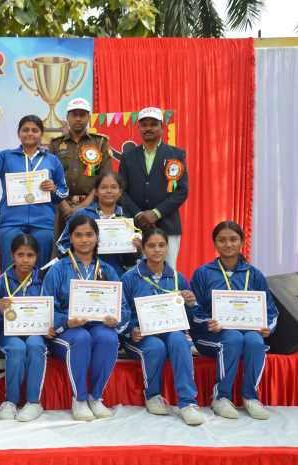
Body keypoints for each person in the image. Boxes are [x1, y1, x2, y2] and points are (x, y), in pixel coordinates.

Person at [42, 216, 130, 421]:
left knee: (108, 338)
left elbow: (124, 309)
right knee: (81, 337)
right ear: (70, 239)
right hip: (69, 331)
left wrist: (115, 319)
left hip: (98, 326)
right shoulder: (58, 269)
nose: (84, 240)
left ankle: (95, 397)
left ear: (97, 237)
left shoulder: (108, 270)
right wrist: (66, 321)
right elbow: (47, 308)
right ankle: (79, 399)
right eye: (78, 235)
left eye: (89, 234)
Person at [189, 221, 278, 420]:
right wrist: (208, 322)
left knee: (255, 341)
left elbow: (271, 311)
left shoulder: (254, 274)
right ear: (214, 243)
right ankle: (221, 397)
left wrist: (267, 328)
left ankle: (251, 397)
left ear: (242, 242)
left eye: (233, 239)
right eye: (222, 240)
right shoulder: (203, 273)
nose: (228, 244)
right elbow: (194, 310)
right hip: (209, 336)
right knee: (233, 338)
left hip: (246, 333)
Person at [121, 228, 204, 426]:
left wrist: (191, 304)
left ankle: (187, 403)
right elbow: (122, 312)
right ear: (143, 248)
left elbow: (189, 318)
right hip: (141, 336)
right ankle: (153, 395)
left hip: (169, 331)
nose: (157, 250)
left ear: (167, 248)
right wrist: (132, 330)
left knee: (179, 340)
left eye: (161, 245)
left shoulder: (177, 277)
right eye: (151, 245)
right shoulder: (130, 278)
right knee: (155, 347)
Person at [0, 114, 68, 272]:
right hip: (11, 222)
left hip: (43, 222)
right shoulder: (5, 157)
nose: (30, 133)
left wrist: (54, 189)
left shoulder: (52, 160)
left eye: (35, 130)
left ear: (41, 134)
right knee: (9, 271)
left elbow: (64, 192)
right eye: (25, 130)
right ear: (18, 133)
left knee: (42, 271)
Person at [118, 107, 188, 269]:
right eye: (144, 125)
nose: (148, 128)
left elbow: (181, 191)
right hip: (135, 225)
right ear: (139, 128)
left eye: (153, 124)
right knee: (134, 272)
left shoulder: (176, 154)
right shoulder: (128, 157)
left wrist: (156, 213)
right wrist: (138, 214)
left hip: (168, 225)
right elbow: (121, 191)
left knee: (167, 272)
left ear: (162, 128)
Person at [0, 234, 47, 422]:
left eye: (30, 255)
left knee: (36, 345)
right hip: (7, 334)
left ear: (37, 256)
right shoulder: (2, 282)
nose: (25, 260)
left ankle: (33, 402)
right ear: (12, 256)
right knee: (17, 348)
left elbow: (51, 310)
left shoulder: (43, 280)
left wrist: (50, 326)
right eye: (20, 255)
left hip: (35, 331)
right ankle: (10, 402)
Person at [49, 98, 112, 249]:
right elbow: (49, 179)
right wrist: (64, 205)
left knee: (90, 248)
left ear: (88, 117)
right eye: (74, 114)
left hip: (92, 207)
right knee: (60, 250)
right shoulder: (56, 144)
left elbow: (104, 179)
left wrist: (83, 206)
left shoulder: (100, 142)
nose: (78, 118)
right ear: (67, 117)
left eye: (82, 115)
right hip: (61, 208)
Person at [56, 171, 140, 277]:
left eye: (113, 187)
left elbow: (130, 262)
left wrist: (135, 250)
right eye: (104, 187)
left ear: (120, 192)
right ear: (96, 192)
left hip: (115, 275)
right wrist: (81, 247)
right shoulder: (82, 214)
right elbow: (62, 245)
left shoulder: (126, 220)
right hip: (82, 273)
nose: (109, 191)